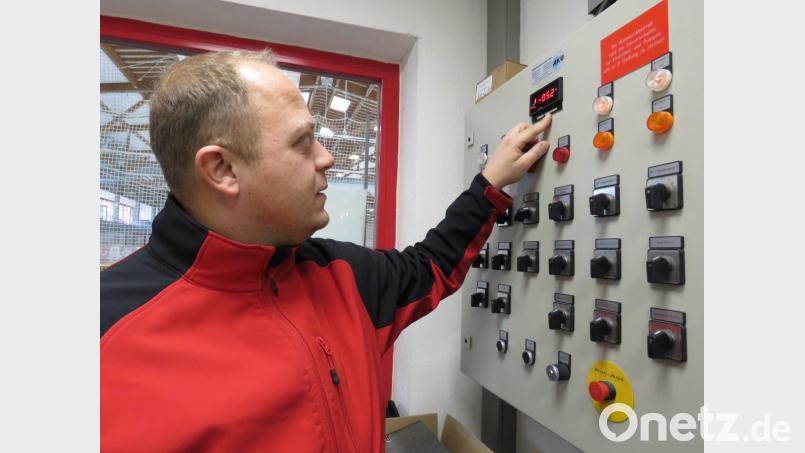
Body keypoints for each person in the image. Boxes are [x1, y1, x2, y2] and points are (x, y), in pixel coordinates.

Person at [100, 49, 552, 452]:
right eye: (303, 143)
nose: (327, 158)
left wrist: (489, 185)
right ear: (222, 169)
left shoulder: (339, 274)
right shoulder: (107, 333)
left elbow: (430, 264)